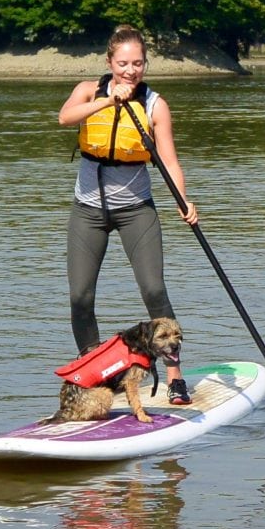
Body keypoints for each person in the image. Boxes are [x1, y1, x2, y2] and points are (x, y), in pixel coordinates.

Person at [59, 25, 199, 404]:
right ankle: (93, 376)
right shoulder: (89, 91)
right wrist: (108, 101)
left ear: (145, 64)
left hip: (136, 211)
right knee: (80, 297)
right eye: (123, 63)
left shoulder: (155, 105)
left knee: (154, 289)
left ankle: (174, 377)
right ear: (110, 63)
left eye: (138, 63)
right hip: (88, 211)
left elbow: (168, 160)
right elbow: (65, 118)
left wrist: (183, 200)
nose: (130, 71)